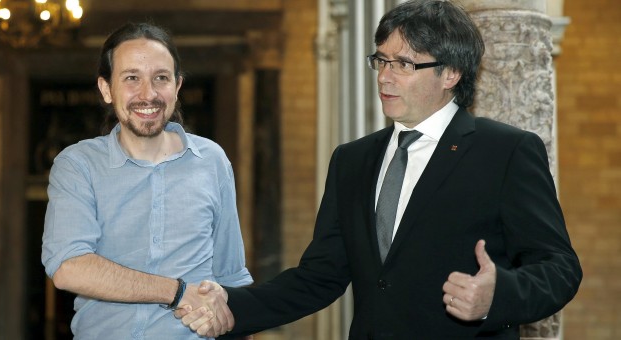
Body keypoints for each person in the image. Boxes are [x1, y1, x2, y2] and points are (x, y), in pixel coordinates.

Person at [178, 1, 582, 339]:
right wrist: (232, 306)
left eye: (404, 64)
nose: (385, 77)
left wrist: (499, 295)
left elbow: (560, 268)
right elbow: (320, 276)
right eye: (382, 60)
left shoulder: (505, 151)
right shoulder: (352, 160)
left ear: (451, 74)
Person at [41, 22, 252, 339]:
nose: (148, 94)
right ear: (106, 89)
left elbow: (231, 275)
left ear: (177, 86)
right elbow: (69, 266)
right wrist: (177, 292)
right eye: (131, 78)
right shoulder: (77, 164)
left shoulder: (212, 160)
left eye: (161, 78)